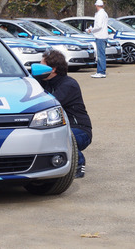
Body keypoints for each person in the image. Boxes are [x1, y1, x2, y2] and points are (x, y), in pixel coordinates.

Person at [39, 49, 92, 178]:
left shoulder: (69, 85)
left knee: (60, 137)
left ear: (53, 69)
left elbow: (49, 103)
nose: (38, 69)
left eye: (42, 66)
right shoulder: (45, 82)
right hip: (62, 127)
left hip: (80, 130)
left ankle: (78, 163)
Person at [87, 0, 108, 78]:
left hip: (100, 36)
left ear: (96, 5)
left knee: (100, 55)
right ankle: (100, 71)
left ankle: (101, 72)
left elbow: (98, 26)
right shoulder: (104, 13)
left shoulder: (100, 14)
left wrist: (91, 30)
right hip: (103, 36)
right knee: (101, 54)